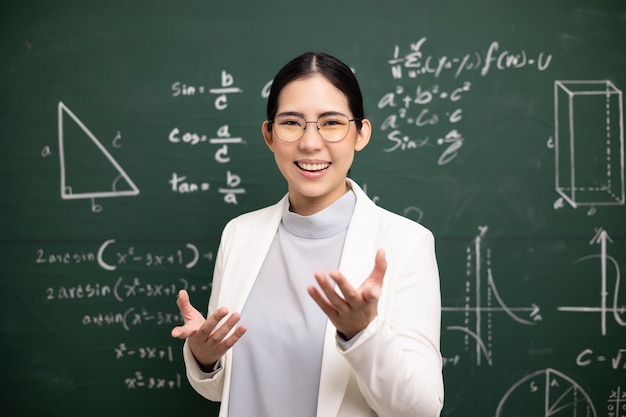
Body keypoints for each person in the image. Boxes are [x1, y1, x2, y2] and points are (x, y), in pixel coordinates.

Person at [171, 52, 444, 417]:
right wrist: (204, 358)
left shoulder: (406, 243)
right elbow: (230, 389)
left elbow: (422, 409)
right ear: (269, 135)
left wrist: (362, 334)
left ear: (361, 134)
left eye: (331, 123)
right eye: (291, 123)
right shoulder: (240, 235)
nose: (310, 143)